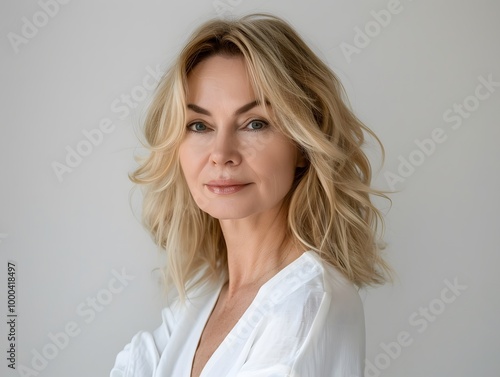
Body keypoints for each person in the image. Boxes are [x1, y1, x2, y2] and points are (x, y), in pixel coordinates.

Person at [110, 13, 393, 377]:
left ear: (304, 145)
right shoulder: (203, 295)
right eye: (199, 125)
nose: (221, 152)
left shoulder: (307, 304)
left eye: (254, 123)